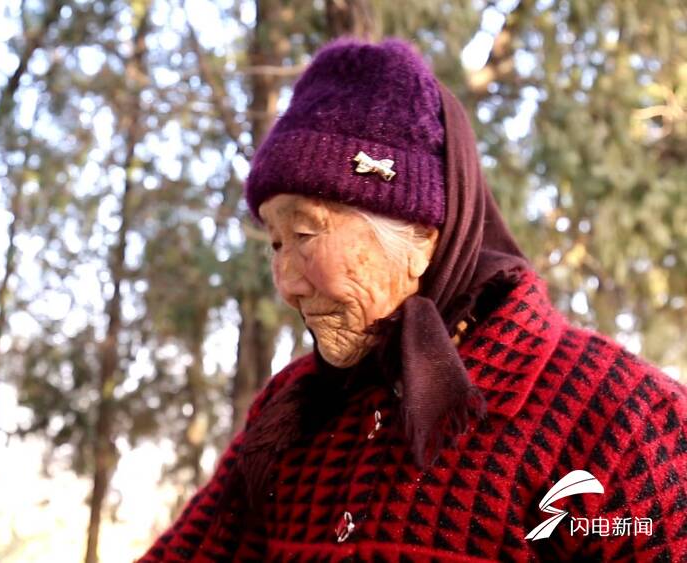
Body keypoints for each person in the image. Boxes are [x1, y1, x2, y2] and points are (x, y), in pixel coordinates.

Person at [138, 38, 687, 561]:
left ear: (423, 235)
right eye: (275, 243)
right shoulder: (293, 413)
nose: (287, 283)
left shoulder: (623, 422)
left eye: (304, 235)